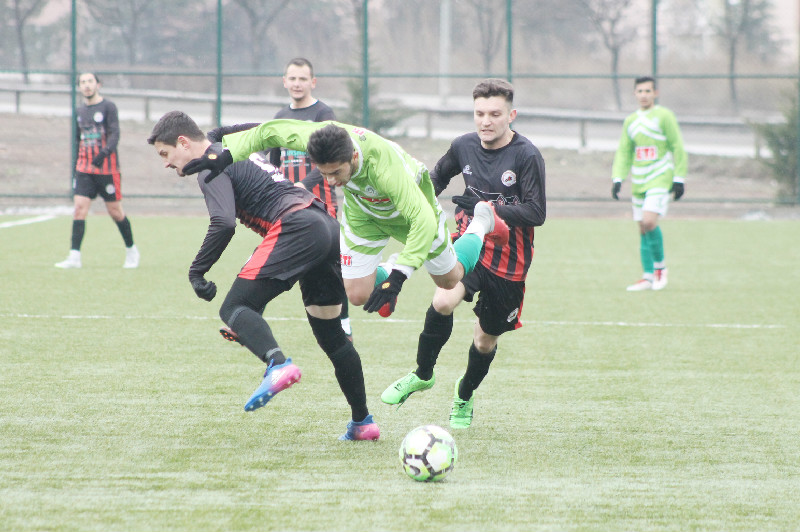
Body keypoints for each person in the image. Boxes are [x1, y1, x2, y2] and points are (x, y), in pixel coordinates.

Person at [147, 110, 379, 441]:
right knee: (332, 336)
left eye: (166, 154)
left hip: (296, 225)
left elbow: (223, 222)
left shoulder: (210, 168)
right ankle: (362, 423)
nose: (167, 164)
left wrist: (197, 270)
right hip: (325, 224)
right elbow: (266, 129)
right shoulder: (228, 144)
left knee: (233, 308)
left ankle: (278, 363)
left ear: (183, 142)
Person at [181, 119, 510, 323]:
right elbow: (271, 131)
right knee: (356, 294)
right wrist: (227, 153)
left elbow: (421, 220)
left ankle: (481, 222)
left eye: (336, 172)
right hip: (363, 215)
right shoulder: (320, 138)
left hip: (411, 217)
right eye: (324, 173)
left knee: (450, 280)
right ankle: (391, 263)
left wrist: (398, 276)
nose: (331, 180)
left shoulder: (385, 168)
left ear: (353, 157)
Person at [379, 78, 546, 429]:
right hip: (471, 245)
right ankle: (423, 374)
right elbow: (436, 178)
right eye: (479, 113)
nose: (486, 121)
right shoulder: (464, 147)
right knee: (443, 301)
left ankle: (464, 395)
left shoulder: (526, 155)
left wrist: (489, 208)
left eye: (495, 114)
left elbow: (536, 213)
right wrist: (414, 203)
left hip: (510, 263)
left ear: (510, 115)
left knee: (484, 341)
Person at [55, 72, 139, 269]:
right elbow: (77, 141)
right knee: (79, 209)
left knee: (115, 212)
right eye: (83, 82)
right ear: (79, 87)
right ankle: (74, 256)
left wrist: (103, 154)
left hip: (107, 169)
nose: (87, 86)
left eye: (90, 81)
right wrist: (75, 169)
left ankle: (131, 250)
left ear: (98, 84)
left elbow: (115, 134)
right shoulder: (78, 111)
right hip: (84, 169)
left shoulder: (108, 107)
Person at [611, 76, 687, 291]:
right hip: (639, 180)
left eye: (647, 91)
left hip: (660, 177)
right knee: (642, 228)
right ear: (635, 94)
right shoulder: (631, 121)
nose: (644, 95)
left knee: (649, 222)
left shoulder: (664, 116)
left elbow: (677, 146)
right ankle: (647, 276)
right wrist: (618, 177)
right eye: (640, 91)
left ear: (656, 93)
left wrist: (679, 178)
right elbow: (624, 152)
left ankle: (661, 268)